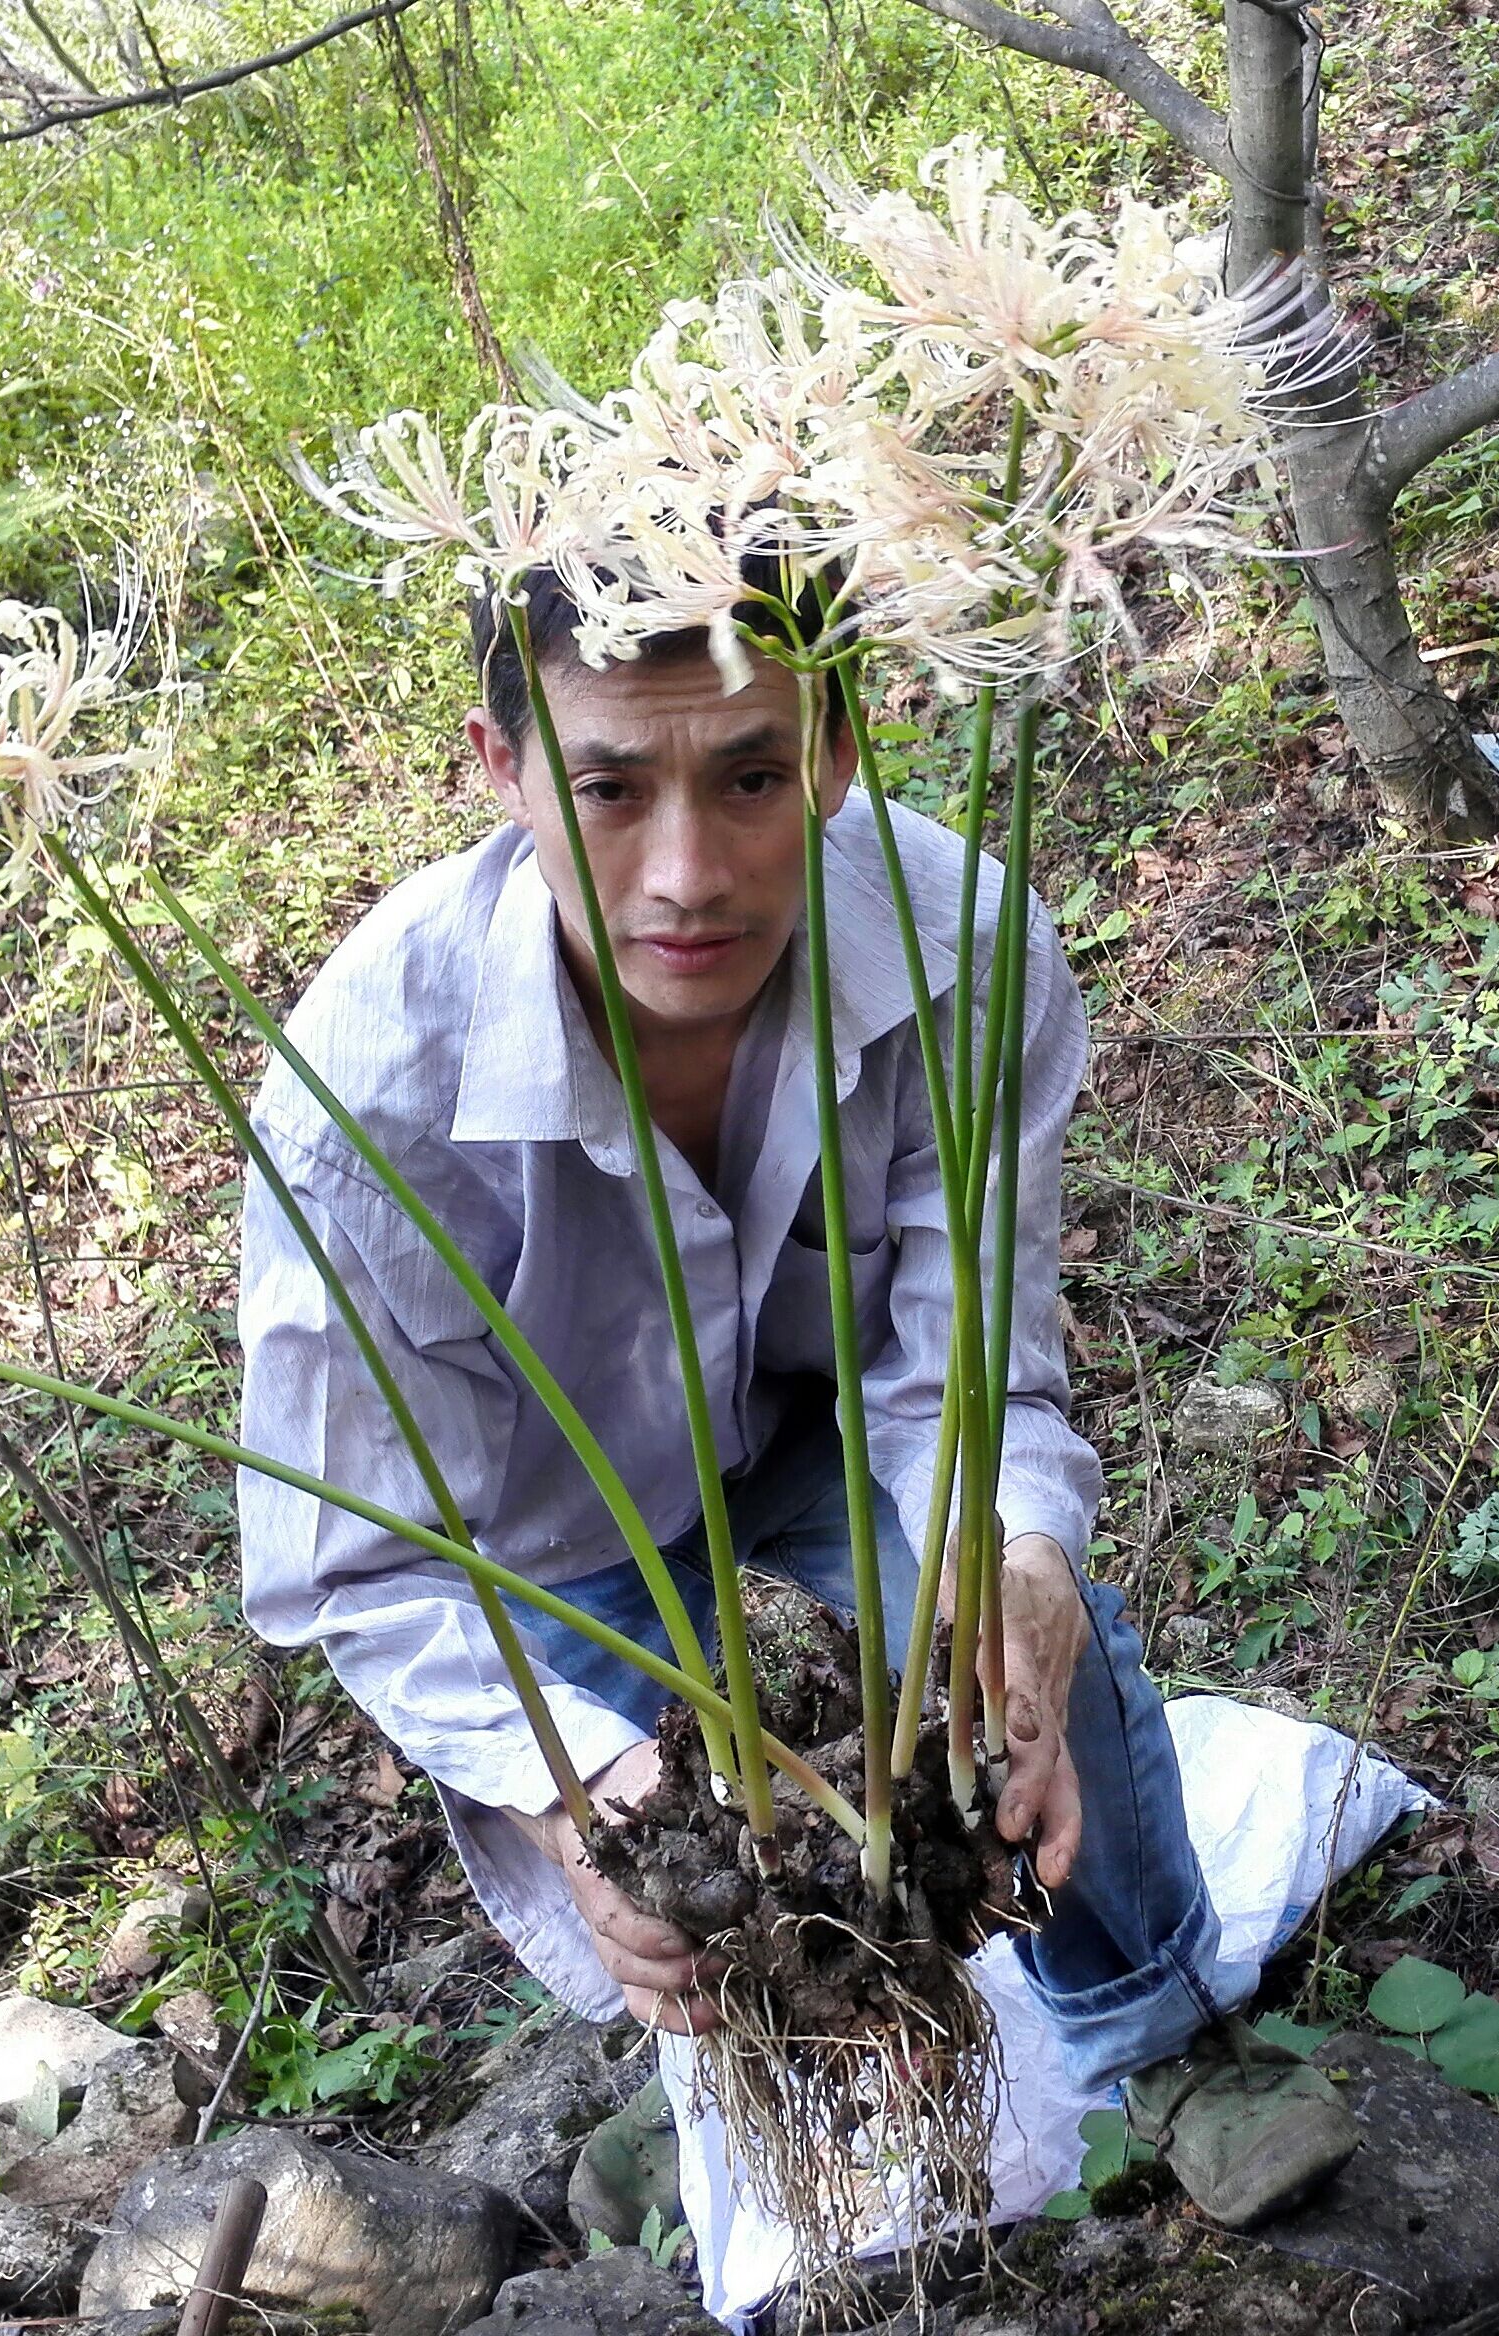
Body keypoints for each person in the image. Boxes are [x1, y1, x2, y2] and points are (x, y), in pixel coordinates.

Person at [234, 564, 1360, 2242]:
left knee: (1025, 1666)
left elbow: (964, 1361)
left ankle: (1152, 2028)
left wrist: (1019, 1572)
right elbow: (363, 1560)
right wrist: (580, 1802)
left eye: (751, 777)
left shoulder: (953, 943)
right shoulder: (365, 1100)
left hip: (827, 1422)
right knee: (685, 1877)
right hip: (553, 1513)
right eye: (608, 787)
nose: (686, 876)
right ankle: (763, 2096)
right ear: (500, 765)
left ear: (834, 753)